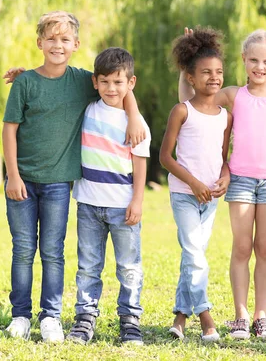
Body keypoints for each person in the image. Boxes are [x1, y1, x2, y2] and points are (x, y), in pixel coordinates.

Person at [2, 11, 145, 343]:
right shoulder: (25, 83)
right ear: (39, 43)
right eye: (50, 38)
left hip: (58, 184)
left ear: (76, 45)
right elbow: (10, 131)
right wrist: (12, 175)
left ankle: (51, 316)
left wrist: (134, 114)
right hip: (21, 180)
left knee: (53, 250)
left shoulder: (84, 81)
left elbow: (118, 81)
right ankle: (21, 315)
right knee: (23, 249)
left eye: (65, 39)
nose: (57, 45)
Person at [179, 29, 266, 340]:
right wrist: (188, 66)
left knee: (265, 248)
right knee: (243, 246)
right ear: (244, 60)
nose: (261, 67)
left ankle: (262, 315)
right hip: (241, 181)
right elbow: (190, 102)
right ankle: (241, 316)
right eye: (255, 60)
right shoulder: (234, 95)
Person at [66, 47, 151, 346]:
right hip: (88, 203)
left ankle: (130, 321)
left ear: (131, 83)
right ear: (95, 82)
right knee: (88, 265)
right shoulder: (87, 109)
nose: (111, 88)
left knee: (128, 266)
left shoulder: (136, 125)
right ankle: (85, 318)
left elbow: (140, 164)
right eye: (104, 82)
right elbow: (59, 81)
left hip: (122, 205)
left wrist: (137, 200)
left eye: (118, 82)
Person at [160, 28, 233, 342]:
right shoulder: (182, 111)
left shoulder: (225, 117)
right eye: (205, 72)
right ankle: (206, 319)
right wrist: (193, 183)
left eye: (218, 72)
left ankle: (179, 318)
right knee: (195, 254)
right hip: (184, 195)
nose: (214, 78)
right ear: (190, 77)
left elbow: (223, 157)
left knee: (193, 257)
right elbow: (165, 157)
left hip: (211, 198)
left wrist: (225, 178)